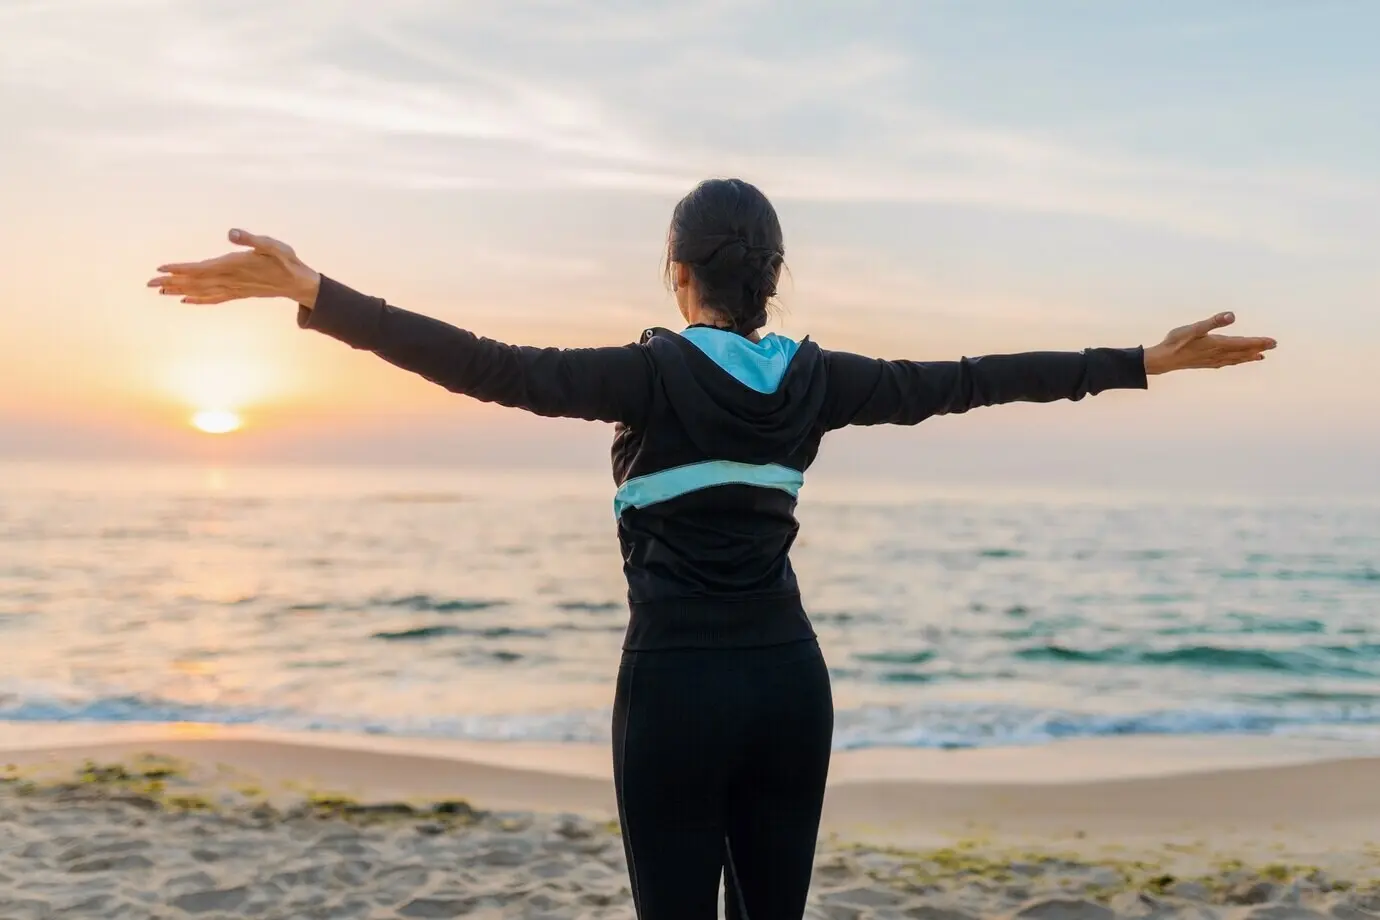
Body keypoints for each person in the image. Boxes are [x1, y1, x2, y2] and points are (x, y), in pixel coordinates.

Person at [148, 178, 1276, 920]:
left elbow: (485, 362)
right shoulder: (820, 379)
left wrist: (315, 293)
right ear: (772, 276)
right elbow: (974, 380)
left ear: (676, 272)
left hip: (678, 689)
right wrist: (1143, 359)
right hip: (791, 683)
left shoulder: (645, 374)